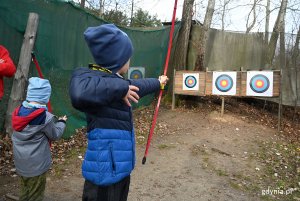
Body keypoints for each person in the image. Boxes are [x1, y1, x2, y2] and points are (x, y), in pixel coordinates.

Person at [69, 24, 168, 201]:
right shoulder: (89, 78)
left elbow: (139, 86)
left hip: (120, 170)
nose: (129, 60)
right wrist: (122, 87)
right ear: (117, 59)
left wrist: (158, 82)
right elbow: (78, 93)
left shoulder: (115, 83)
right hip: (104, 175)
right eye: (127, 57)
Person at [11, 77, 67, 201]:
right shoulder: (44, 117)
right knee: (35, 195)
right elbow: (55, 134)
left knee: (25, 192)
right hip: (36, 166)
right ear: (45, 97)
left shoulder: (18, 112)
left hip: (21, 163)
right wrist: (62, 122)